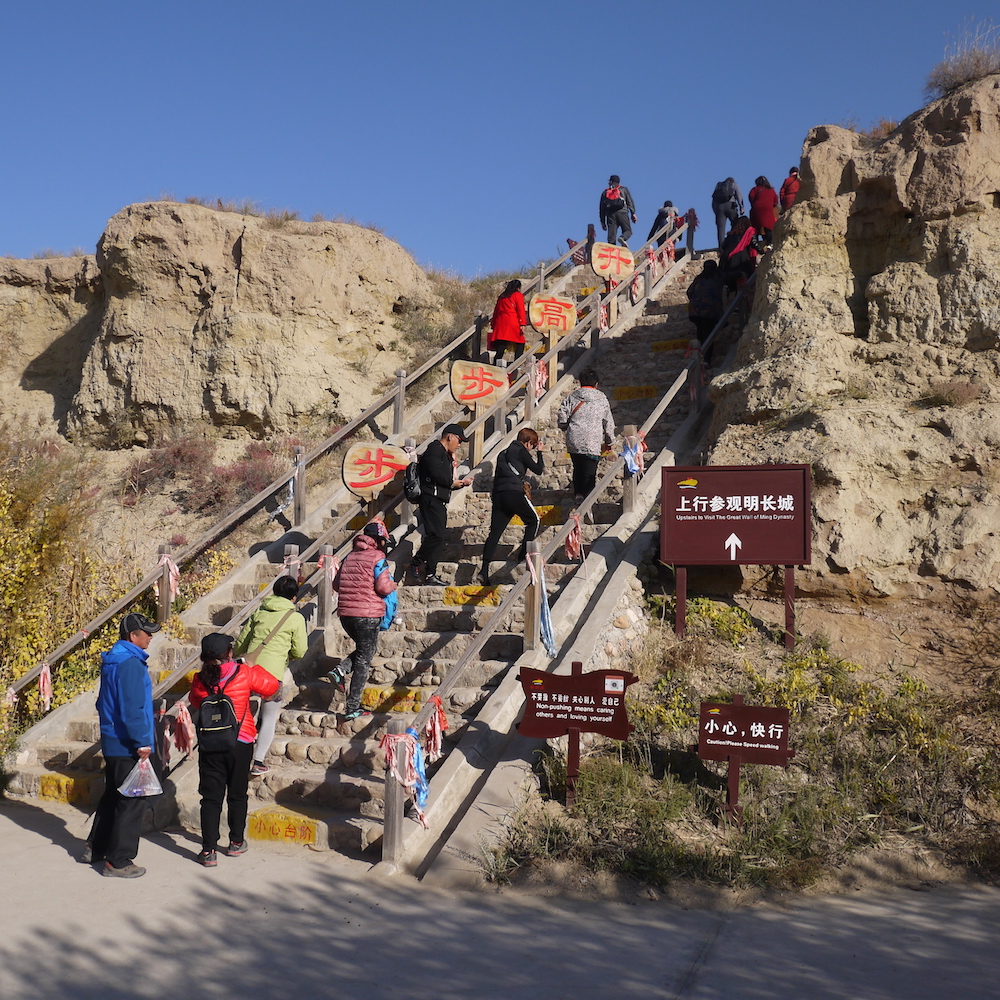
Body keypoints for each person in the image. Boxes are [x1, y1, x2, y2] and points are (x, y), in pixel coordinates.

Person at [83, 612, 163, 878]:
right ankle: (119, 861)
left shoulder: (113, 660)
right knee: (132, 801)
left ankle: (95, 847)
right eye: (147, 633)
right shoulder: (130, 663)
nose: (150, 637)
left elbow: (104, 702)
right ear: (133, 636)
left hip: (112, 739)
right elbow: (132, 707)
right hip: (128, 741)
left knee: (113, 797)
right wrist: (142, 741)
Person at [188, 633, 278, 866]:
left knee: (210, 797)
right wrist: (250, 665)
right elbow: (272, 686)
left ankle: (208, 851)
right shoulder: (243, 672)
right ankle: (236, 842)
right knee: (237, 794)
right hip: (241, 740)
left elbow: (196, 701)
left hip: (210, 744)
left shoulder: (200, 679)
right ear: (228, 652)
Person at [234, 575, 308, 777]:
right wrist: (288, 656)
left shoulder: (259, 611)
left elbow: (241, 642)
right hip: (272, 677)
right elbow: (300, 651)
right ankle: (258, 762)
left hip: (249, 672)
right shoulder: (295, 618)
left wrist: (239, 655)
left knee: (241, 715)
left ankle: (236, 757)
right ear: (294, 597)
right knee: (268, 719)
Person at [329, 523, 397, 721]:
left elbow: (336, 584)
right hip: (367, 615)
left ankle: (340, 670)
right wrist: (393, 584)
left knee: (363, 650)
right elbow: (383, 588)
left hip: (345, 615)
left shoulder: (349, 556)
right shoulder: (378, 558)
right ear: (379, 541)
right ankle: (352, 706)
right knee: (364, 659)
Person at [478, 428, 545, 586]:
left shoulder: (502, 453)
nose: (533, 448)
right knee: (534, 520)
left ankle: (484, 569)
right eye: (533, 445)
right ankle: (522, 556)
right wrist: (540, 453)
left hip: (499, 495)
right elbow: (538, 470)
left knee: (494, 533)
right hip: (514, 493)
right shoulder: (521, 451)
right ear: (528, 443)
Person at [410, 424, 474, 586]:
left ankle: (430, 572)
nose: (459, 445)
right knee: (436, 536)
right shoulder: (434, 450)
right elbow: (436, 474)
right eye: (459, 440)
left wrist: (458, 480)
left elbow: (447, 478)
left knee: (438, 537)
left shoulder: (444, 454)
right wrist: (453, 483)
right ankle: (416, 564)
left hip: (439, 499)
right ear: (449, 437)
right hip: (431, 498)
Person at [557, 367, 615, 521]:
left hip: (574, 438)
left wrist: (565, 426)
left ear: (580, 382)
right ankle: (587, 505)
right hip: (592, 440)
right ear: (596, 384)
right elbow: (608, 422)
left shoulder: (572, 397)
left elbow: (562, 418)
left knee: (578, 466)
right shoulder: (602, 398)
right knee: (590, 472)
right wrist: (610, 441)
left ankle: (578, 494)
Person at [686, 260, 726, 364]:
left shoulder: (699, 278)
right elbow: (731, 276)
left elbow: (689, 292)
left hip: (695, 310)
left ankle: (699, 355)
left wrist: (696, 300)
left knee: (700, 333)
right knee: (708, 334)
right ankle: (706, 359)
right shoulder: (718, 277)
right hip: (710, 311)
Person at [488, 279, 529, 360]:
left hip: (500, 323)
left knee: (501, 347)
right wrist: (522, 324)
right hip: (512, 322)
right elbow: (521, 310)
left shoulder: (502, 297)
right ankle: (517, 364)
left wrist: (493, 325)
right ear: (518, 287)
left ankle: (496, 366)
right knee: (520, 343)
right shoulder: (517, 295)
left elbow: (496, 312)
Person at [719, 216, 762, 291]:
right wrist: (763, 251)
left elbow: (722, 247)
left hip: (728, 263)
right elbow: (754, 243)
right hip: (742, 261)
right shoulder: (749, 232)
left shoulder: (730, 236)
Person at [599, 174, 637, 248]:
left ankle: (611, 252)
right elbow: (630, 202)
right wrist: (633, 213)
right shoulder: (624, 189)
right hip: (622, 213)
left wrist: (602, 221)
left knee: (611, 238)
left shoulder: (605, 192)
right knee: (628, 231)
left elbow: (602, 208)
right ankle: (622, 238)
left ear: (611, 181)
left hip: (610, 215)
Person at [711, 177, 744, 248]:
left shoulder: (719, 186)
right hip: (730, 206)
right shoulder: (734, 185)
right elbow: (739, 196)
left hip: (719, 207)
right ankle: (735, 243)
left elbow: (713, 199)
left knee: (721, 228)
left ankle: (721, 247)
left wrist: (716, 211)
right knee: (736, 225)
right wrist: (742, 207)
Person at [748, 177, 779, 243]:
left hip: (757, 208)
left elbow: (751, 197)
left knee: (755, 227)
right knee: (768, 226)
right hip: (768, 209)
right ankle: (769, 243)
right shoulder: (771, 190)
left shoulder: (754, 189)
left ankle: (755, 244)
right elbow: (776, 201)